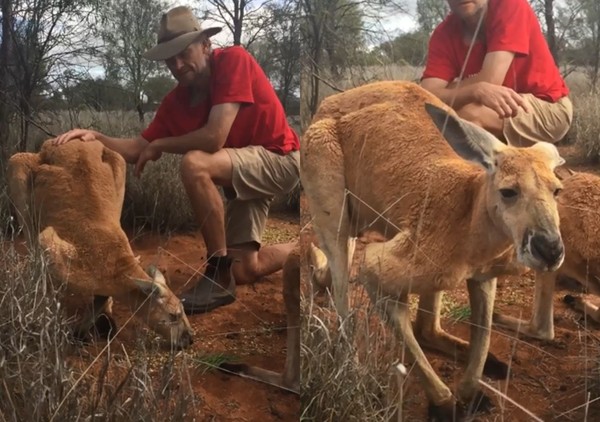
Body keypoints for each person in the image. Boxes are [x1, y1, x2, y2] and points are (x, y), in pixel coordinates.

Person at [53, 6, 300, 315]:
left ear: (207, 46)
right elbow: (137, 147)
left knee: (195, 163)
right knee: (246, 270)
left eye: (184, 53)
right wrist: (96, 137)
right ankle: (309, 246)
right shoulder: (175, 102)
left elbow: (214, 137)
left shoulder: (234, 60)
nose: (178, 65)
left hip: (281, 158)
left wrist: (161, 144)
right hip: (242, 176)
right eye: (170, 59)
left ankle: (217, 273)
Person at [420, 0, 573, 147]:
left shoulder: (510, 4)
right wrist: (475, 90)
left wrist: (451, 90)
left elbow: (490, 80)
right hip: (496, 107)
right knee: (434, 118)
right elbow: (427, 96)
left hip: (549, 107)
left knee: (466, 115)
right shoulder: (443, 33)